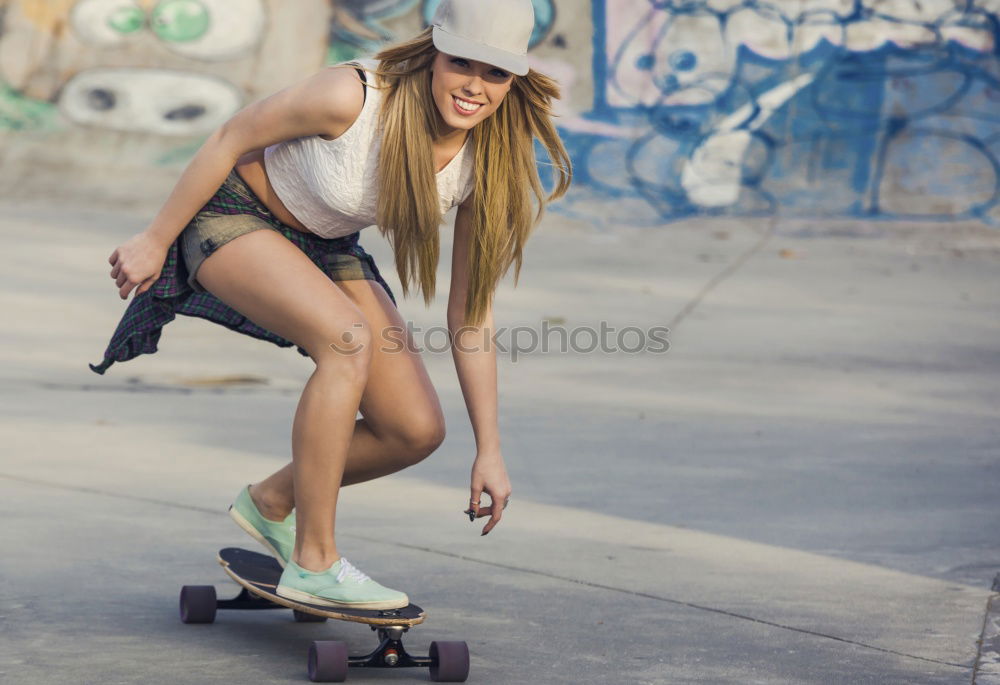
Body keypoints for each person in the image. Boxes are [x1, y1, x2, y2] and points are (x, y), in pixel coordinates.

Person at [89, 0, 571, 610]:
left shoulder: (488, 161)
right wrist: (155, 237)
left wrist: (490, 451)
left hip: (324, 244)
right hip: (232, 214)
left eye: (496, 73)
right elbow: (229, 135)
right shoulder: (354, 96)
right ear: (433, 53)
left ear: (515, 79)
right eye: (460, 63)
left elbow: (471, 314)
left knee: (414, 429)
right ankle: (314, 561)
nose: (475, 85)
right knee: (348, 341)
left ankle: (270, 501)